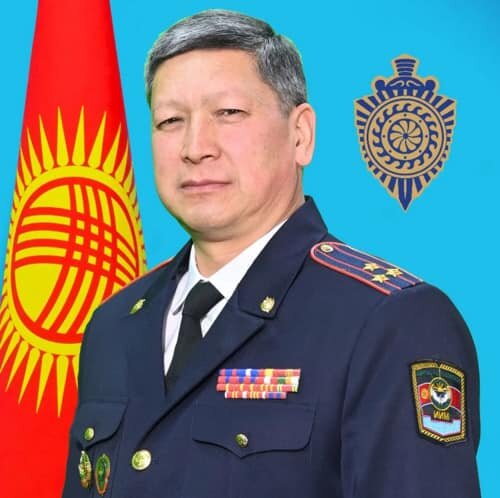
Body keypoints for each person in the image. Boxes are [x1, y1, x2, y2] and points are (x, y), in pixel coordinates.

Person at [62, 9, 481, 498]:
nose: (195, 147)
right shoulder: (115, 325)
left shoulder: (390, 322)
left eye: (229, 113)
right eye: (170, 120)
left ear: (300, 135)